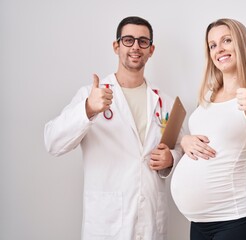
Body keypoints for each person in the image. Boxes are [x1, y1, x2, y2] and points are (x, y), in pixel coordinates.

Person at [44, 16, 183, 240]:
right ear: (116, 46)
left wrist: (172, 158)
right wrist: (88, 109)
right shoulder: (91, 95)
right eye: (128, 40)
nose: (135, 47)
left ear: (151, 50)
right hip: (106, 224)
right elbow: (52, 142)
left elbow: (181, 147)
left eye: (143, 41)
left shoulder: (165, 101)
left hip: (150, 222)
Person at [170, 18, 246, 240]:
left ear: (241, 44)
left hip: (233, 221)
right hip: (199, 223)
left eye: (227, 40)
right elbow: (210, 137)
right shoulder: (207, 96)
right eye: (212, 45)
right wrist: (185, 142)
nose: (219, 49)